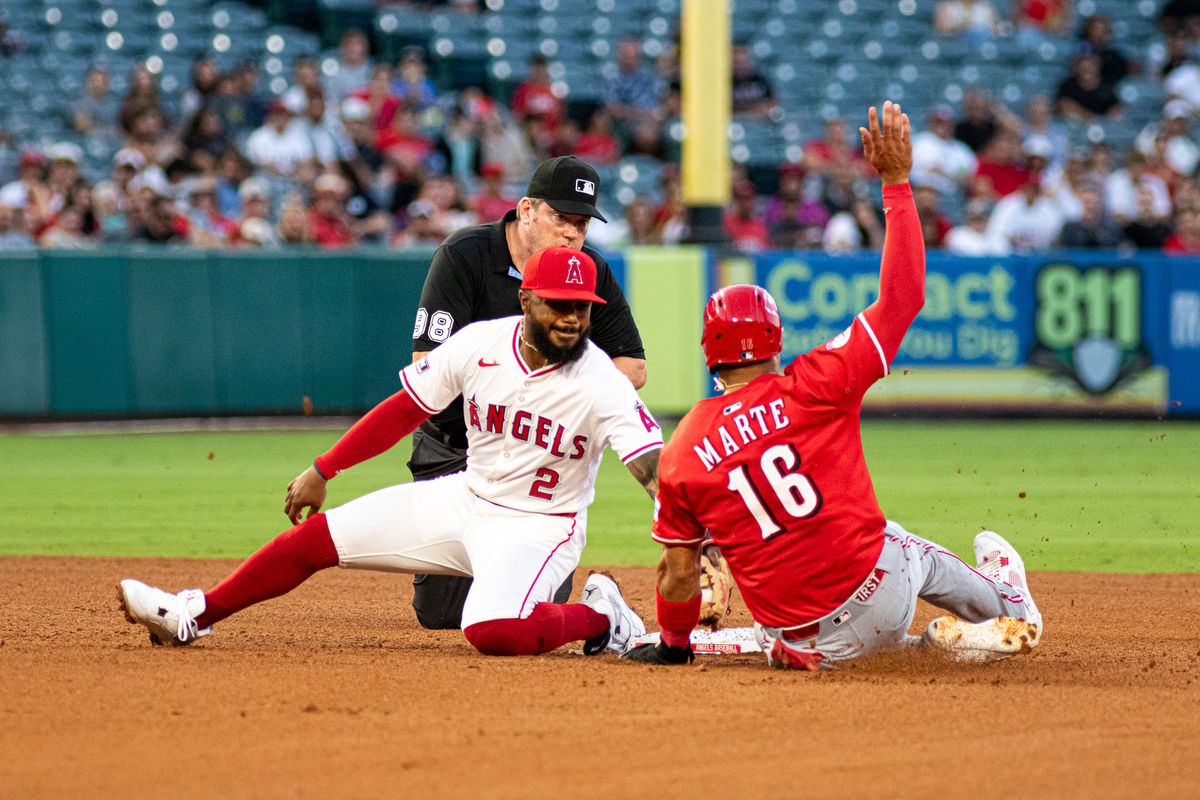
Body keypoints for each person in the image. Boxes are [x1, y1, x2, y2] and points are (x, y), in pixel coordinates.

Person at [622, 102, 1043, 670]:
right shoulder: (817, 380)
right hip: (881, 592)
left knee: (784, 623)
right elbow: (904, 298)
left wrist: (674, 647)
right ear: (775, 339)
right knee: (899, 543)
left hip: (806, 646)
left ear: (708, 354)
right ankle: (1003, 605)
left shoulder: (683, 450)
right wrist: (895, 183)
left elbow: (677, 574)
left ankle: (930, 652)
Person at [118, 246, 660, 659]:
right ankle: (193, 614)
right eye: (558, 304)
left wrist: (694, 537)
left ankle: (600, 616)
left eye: (582, 308)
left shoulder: (601, 382)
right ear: (525, 299)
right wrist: (323, 468)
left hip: (541, 526)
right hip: (467, 498)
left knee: (490, 631)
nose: (571, 317)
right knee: (314, 539)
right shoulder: (480, 344)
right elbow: (405, 410)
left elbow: (652, 469)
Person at [405, 156, 648, 631]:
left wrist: (562, 397)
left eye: (581, 222)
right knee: (440, 616)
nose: (572, 233)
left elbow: (633, 366)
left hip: (536, 463)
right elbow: (424, 363)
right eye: (562, 218)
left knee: (525, 607)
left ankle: (598, 610)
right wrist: (516, 395)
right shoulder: (466, 255)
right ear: (527, 210)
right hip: (454, 449)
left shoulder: (588, 270)